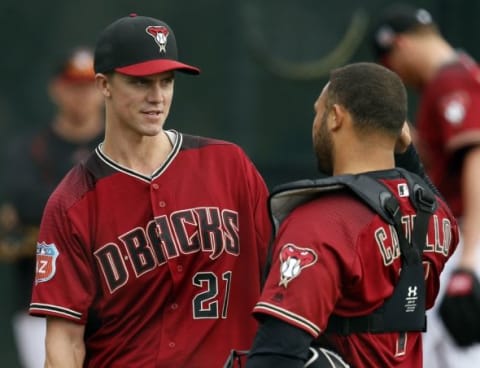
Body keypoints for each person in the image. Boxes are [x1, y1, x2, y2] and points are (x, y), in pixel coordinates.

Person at [28, 14, 272, 368]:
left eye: (167, 81)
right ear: (104, 85)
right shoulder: (73, 202)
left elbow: (281, 276)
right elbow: (64, 341)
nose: (157, 97)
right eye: (141, 82)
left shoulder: (229, 165)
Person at [244, 62, 459, 368]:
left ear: (335, 117)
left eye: (318, 111)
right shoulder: (437, 215)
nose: (315, 121)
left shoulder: (321, 222)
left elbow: (276, 355)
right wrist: (408, 153)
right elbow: (433, 197)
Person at [371, 4, 480, 366]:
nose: (397, 75)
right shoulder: (462, 71)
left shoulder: (450, 80)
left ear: (400, 45)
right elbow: (445, 164)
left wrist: (468, 261)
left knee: (449, 348)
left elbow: (477, 160)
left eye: (392, 65)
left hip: (466, 234)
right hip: (459, 232)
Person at [0, 46, 104, 368]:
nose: (81, 95)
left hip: (114, 304)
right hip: (41, 303)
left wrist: (52, 206)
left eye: (88, 85)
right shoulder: (29, 150)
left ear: (104, 90)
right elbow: (20, 204)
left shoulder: (124, 146)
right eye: (73, 85)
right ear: (56, 88)